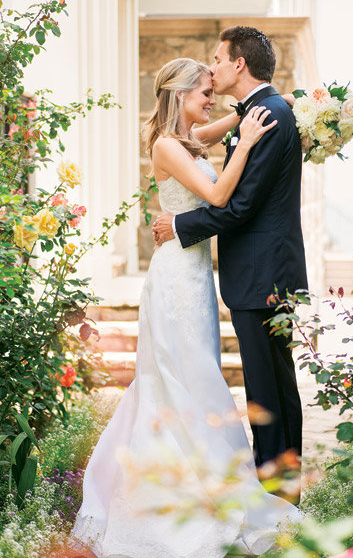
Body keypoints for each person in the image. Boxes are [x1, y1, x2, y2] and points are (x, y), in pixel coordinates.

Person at [71, 57, 300, 558]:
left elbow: (226, 126)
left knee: (195, 379)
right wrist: (251, 145)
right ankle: (177, 499)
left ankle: (201, 485)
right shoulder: (167, 146)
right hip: (176, 276)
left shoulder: (189, 140)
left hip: (196, 277)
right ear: (179, 96)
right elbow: (218, 194)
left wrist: (256, 113)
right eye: (202, 94)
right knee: (184, 380)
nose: (210, 100)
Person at [153, 26, 308, 468]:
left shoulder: (265, 115)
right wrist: (250, 121)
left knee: (268, 388)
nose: (213, 71)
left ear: (239, 64)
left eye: (218, 61)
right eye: (202, 87)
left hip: (262, 274)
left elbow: (235, 205)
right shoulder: (255, 114)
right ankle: (281, 482)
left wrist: (179, 224)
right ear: (181, 97)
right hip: (258, 273)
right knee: (270, 384)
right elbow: (220, 152)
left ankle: (278, 485)